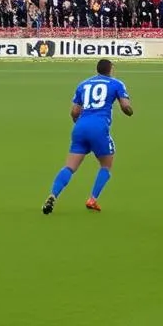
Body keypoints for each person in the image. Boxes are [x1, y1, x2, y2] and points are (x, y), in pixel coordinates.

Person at [42, 59, 133, 214]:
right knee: (106, 165)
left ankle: (53, 194)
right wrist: (129, 111)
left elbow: (74, 112)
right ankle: (92, 199)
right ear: (110, 69)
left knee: (69, 167)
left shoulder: (83, 84)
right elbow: (125, 106)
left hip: (80, 127)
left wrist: (80, 125)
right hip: (99, 127)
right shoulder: (117, 84)